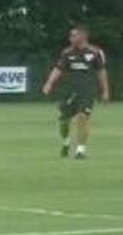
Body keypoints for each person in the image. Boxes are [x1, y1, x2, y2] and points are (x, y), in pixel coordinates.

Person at [40, 24, 110, 158]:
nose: (70, 38)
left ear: (83, 36)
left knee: (83, 118)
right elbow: (58, 69)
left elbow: (101, 72)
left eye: (73, 35)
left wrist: (105, 91)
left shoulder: (95, 52)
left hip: (87, 91)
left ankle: (80, 151)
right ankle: (66, 142)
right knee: (64, 122)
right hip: (69, 91)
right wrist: (49, 83)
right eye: (70, 35)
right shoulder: (67, 53)